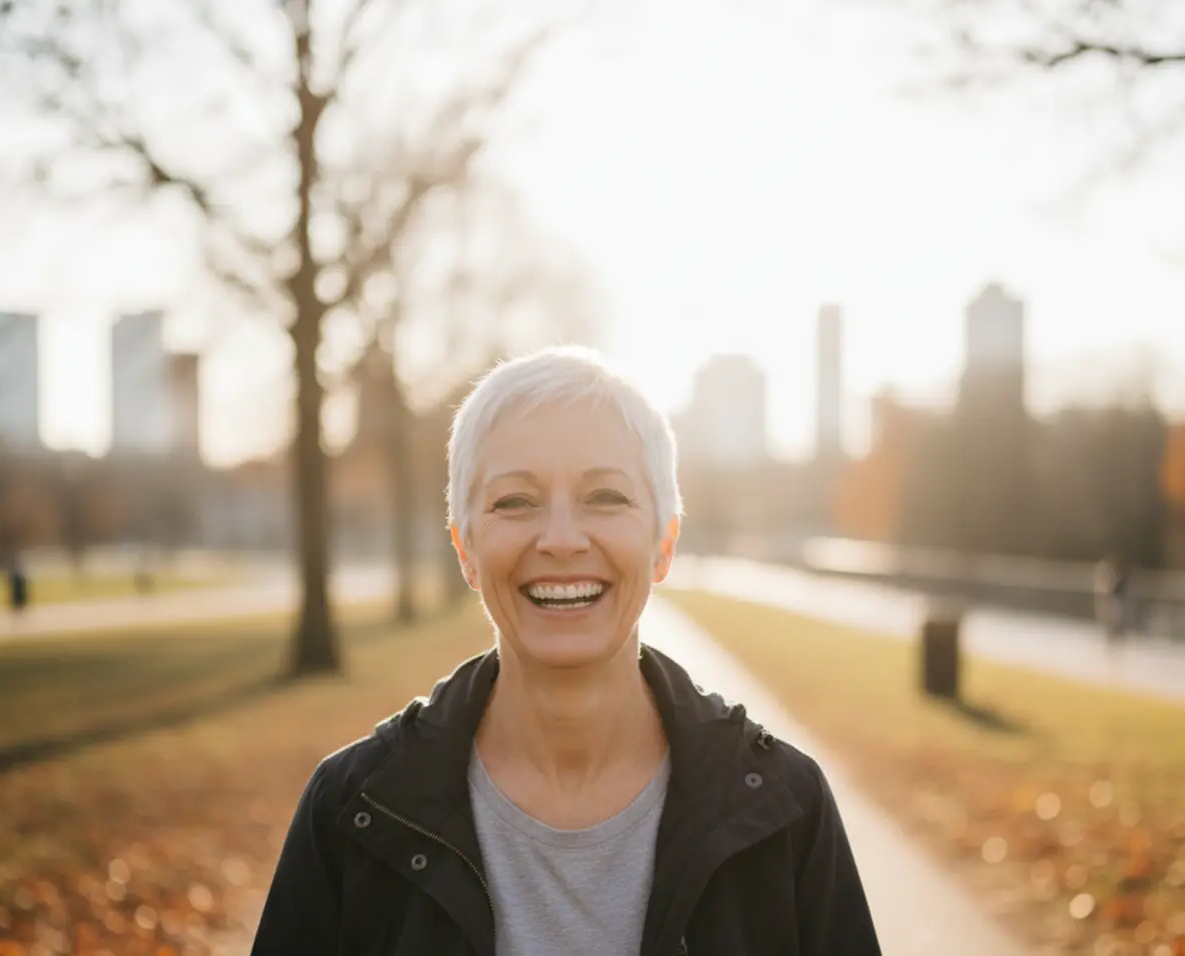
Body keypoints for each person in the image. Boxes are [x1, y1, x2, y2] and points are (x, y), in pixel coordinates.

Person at [250, 346, 882, 956]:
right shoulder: (350, 811)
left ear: (664, 544)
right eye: (514, 501)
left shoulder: (787, 810)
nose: (560, 539)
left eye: (605, 497)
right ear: (465, 548)